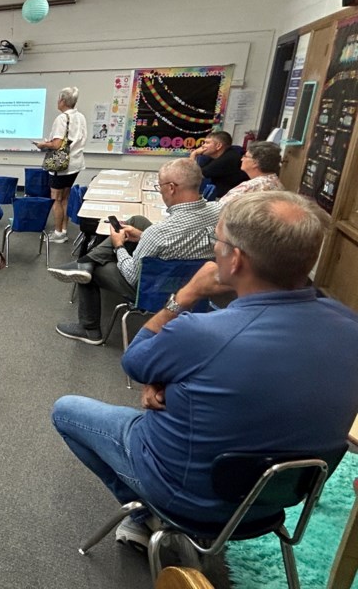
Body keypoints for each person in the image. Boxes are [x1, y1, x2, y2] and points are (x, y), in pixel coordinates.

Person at [51, 192, 358, 550]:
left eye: (218, 241)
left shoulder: (202, 331)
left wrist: (186, 294)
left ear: (236, 259)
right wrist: (173, 382)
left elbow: (134, 362)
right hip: (278, 502)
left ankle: (146, 514)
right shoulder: (349, 328)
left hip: (190, 499)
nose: (215, 249)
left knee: (66, 410)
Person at [48, 158, 220, 344]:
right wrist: (142, 235)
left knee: (91, 273)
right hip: (198, 283)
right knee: (137, 220)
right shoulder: (219, 211)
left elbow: (131, 275)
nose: (160, 190)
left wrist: (119, 245)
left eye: (159, 186)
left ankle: (89, 328)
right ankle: (86, 262)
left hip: (155, 287)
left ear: (171, 188)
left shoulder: (158, 233)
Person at [32, 87, 87, 244]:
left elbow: (56, 144)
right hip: (75, 163)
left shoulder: (62, 118)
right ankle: (63, 229)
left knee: (56, 198)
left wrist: (43, 144)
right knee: (66, 197)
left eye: (58, 99)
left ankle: (57, 234)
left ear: (63, 101)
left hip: (61, 165)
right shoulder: (81, 117)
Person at [218, 141, 284, 206]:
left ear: (255, 163)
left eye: (245, 156)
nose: (242, 159)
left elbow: (220, 208)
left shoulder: (250, 186)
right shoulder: (276, 182)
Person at [190, 131, 247, 198]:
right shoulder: (216, 155)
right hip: (224, 195)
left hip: (232, 198)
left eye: (207, 143)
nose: (203, 145)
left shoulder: (228, 158)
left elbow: (193, 175)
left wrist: (194, 154)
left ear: (218, 146)